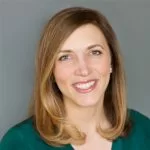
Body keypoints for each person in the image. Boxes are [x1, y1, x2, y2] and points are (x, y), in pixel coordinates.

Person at [0, 6, 150, 150]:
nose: (83, 70)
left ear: (112, 61)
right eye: (65, 57)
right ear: (51, 71)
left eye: (94, 52)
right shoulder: (20, 144)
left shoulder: (144, 131)